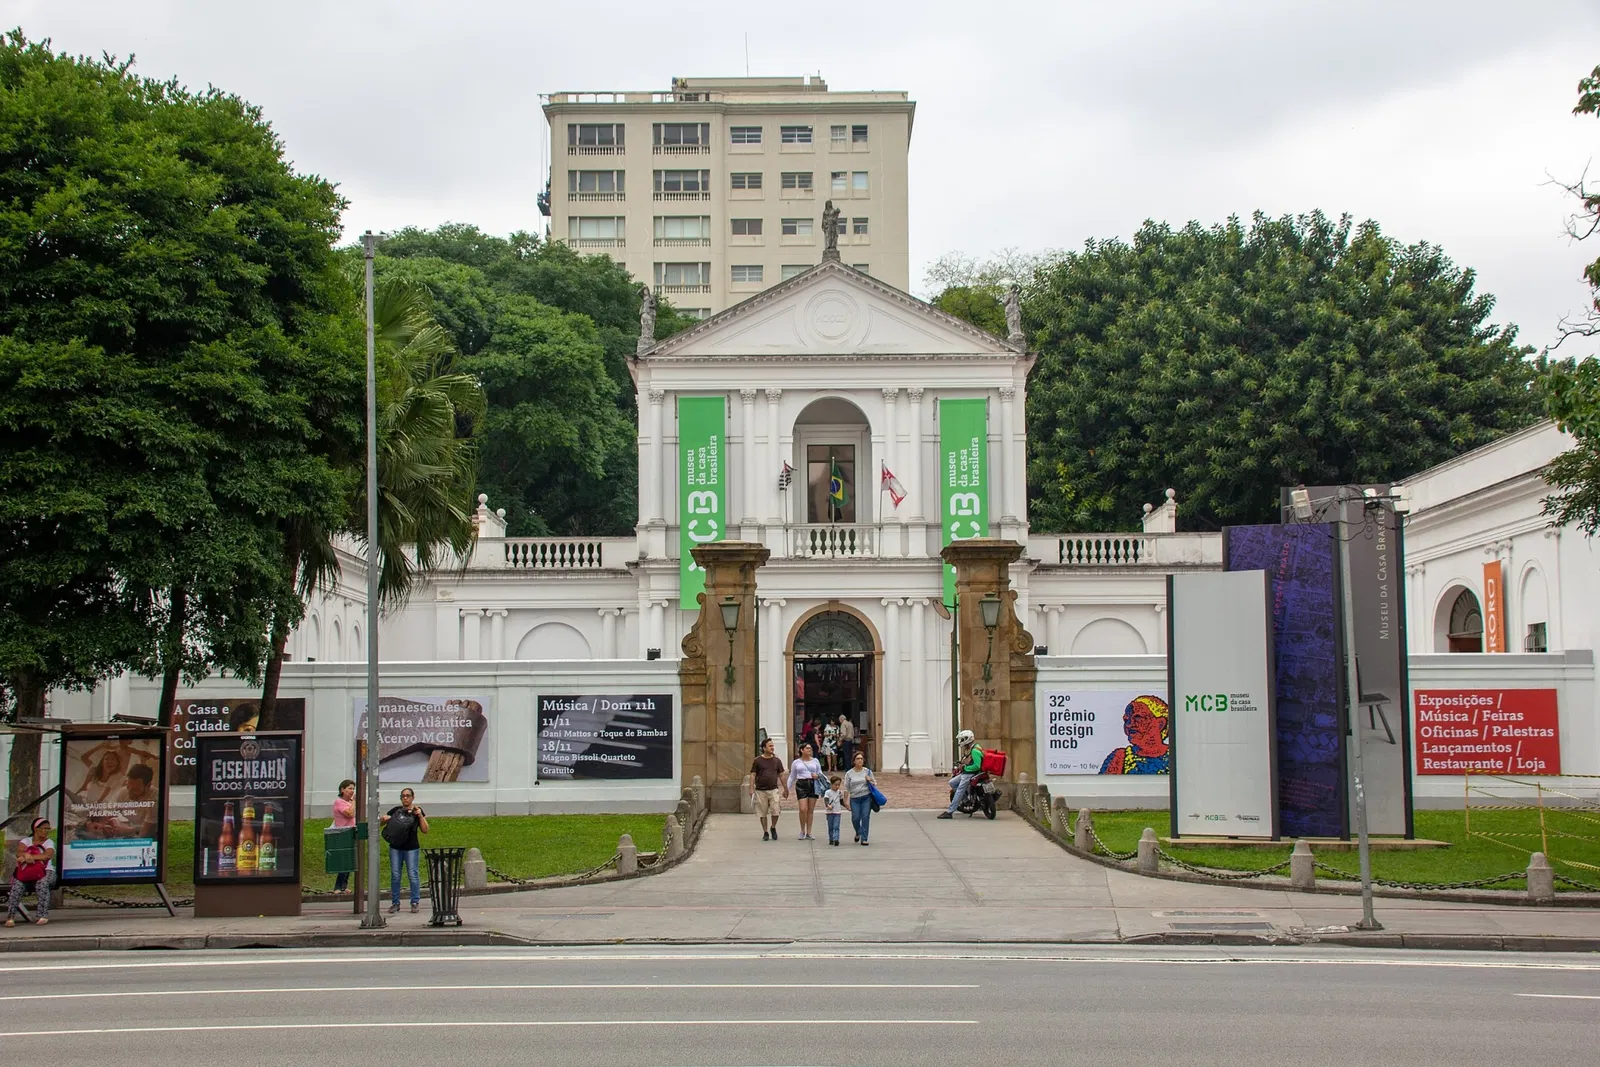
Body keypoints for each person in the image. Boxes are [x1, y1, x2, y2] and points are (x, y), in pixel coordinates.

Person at [379, 787, 429, 913]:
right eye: (403, 796)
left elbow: (425, 830)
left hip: (411, 847)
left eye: (407, 796)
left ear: (413, 797)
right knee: (395, 875)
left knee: (413, 874)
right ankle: (395, 902)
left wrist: (420, 816)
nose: (405, 798)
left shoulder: (417, 810)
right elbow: (382, 824)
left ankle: (415, 902)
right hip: (396, 847)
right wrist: (383, 820)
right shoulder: (396, 810)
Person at [1099, 696, 1172, 774]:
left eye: (1138, 718)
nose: (1129, 725)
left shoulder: (1176, 756)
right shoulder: (1119, 758)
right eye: (1127, 720)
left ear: (1160, 724)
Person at [5, 818, 54, 927]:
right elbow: (19, 853)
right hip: (26, 872)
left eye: (48, 829)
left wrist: (29, 856)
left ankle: (42, 915)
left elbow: (47, 855)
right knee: (17, 886)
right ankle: (10, 917)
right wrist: (25, 855)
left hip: (45, 871)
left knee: (42, 883)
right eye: (44, 828)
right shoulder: (26, 841)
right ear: (36, 829)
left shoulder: (49, 842)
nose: (46, 831)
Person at [938, 729, 984, 820]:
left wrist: (965, 768)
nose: (961, 742)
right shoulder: (973, 748)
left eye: (963, 740)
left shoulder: (974, 750)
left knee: (959, 791)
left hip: (970, 774)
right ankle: (966, 800)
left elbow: (977, 765)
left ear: (968, 739)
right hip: (967, 773)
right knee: (952, 782)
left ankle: (950, 812)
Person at [749, 738, 786, 842]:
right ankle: (765, 831)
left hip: (773, 789)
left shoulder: (777, 761)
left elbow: (781, 775)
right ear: (764, 748)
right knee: (762, 812)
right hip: (760, 790)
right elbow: (753, 774)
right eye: (770, 746)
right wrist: (751, 788)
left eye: (773, 746)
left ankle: (773, 827)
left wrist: (785, 788)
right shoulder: (757, 760)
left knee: (776, 810)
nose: (772, 748)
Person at [786, 743, 824, 841]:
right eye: (807, 748)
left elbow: (820, 773)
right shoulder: (796, 762)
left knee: (810, 809)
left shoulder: (815, 761)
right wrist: (787, 788)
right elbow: (792, 776)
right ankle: (802, 830)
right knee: (803, 809)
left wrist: (817, 776)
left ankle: (809, 832)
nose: (809, 750)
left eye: (810, 748)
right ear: (802, 750)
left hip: (813, 783)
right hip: (801, 784)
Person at [842, 751, 876, 845]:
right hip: (855, 798)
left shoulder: (867, 771)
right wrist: (846, 801)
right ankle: (858, 831)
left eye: (861, 758)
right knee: (855, 818)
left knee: (865, 817)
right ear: (854, 761)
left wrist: (870, 780)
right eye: (858, 759)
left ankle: (864, 838)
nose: (860, 760)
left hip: (866, 797)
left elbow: (874, 784)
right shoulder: (849, 774)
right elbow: (846, 788)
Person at [332, 779, 357, 892]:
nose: (352, 791)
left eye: (353, 788)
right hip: (342, 834)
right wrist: (354, 801)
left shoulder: (350, 802)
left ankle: (344, 886)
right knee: (344, 861)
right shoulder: (339, 802)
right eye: (349, 788)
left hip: (351, 833)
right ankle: (338, 886)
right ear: (342, 789)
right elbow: (349, 813)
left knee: (350, 861)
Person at [820, 775, 846, 846]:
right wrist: (828, 805)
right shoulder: (828, 792)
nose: (837, 786)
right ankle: (831, 838)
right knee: (830, 827)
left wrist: (847, 806)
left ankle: (836, 839)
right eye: (835, 785)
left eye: (838, 785)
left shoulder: (839, 792)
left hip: (837, 812)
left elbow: (841, 801)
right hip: (830, 812)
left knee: (836, 826)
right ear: (831, 784)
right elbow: (826, 800)